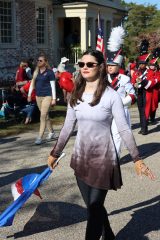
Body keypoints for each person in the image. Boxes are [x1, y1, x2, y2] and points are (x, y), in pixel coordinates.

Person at [48, 50, 155, 240]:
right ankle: (109, 236)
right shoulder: (76, 94)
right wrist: (55, 152)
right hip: (81, 159)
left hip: (103, 161)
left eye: (90, 64)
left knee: (95, 208)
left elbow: (123, 129)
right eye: (81, 64)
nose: (85, 68)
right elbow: (67, 127)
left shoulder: (111, 96)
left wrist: (137, 158)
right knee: (93, 208)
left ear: (101, 67)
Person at [106, 26, 136, 156]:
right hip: (106, 110)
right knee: (107, 134)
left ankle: (115, 158)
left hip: (120, 110)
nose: (110, 67)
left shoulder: (124, 79)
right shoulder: (102, 78)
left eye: (112, 65)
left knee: (117, 134)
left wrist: (121, 103)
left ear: (118, 66)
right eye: (108, 65)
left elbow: (132, 95)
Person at [28, 54, 56, 145]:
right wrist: (29, 95)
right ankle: (51, 132)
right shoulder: (36, 72)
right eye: (38, 60)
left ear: (45, 62)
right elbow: (32, 84)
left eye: (41, 60)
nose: (38, 62)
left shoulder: (50, 72)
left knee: (43, 116)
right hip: (38, 96)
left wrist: (54, 98)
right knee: (45, 116)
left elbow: (53, 86)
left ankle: (40, 137)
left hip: (47, 96)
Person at [131, 40, 157, 135]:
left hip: (147, 93)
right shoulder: (137, 72)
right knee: (140, 111)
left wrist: (142, 82)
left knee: (145, 111)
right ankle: (143, 127)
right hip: (139, 93)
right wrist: (135, 84)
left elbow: (152, 83)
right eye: (140, 63)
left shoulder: (150, 72)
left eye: (143, 63)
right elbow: (133, 81)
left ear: (146, 64)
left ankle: (144, 129)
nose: (141, 65)